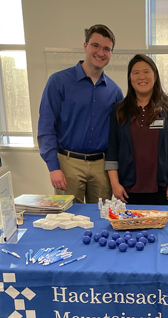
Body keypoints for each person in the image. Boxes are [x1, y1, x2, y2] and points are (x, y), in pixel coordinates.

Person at [38, 24, 123, 203]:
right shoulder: (58, 82)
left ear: (111, 53)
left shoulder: (114, 91)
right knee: (68, 219)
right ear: (85, 46)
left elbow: (119, 135)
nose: (101, 52)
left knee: (101, 218)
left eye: (107, 49)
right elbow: (46, 126)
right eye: (96, 45)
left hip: (101, 164)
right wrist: (53, 167)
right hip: (68, 162)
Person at [105, 54, 168, 206]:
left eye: (146, 71)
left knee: (158, 229)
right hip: (127, 189)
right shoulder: (119, 110)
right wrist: (115, 184)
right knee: (130, 229)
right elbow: (112, 149)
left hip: (161, 188)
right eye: (135, 72)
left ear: (155, 75)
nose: (141, 76)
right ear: (130, 78)